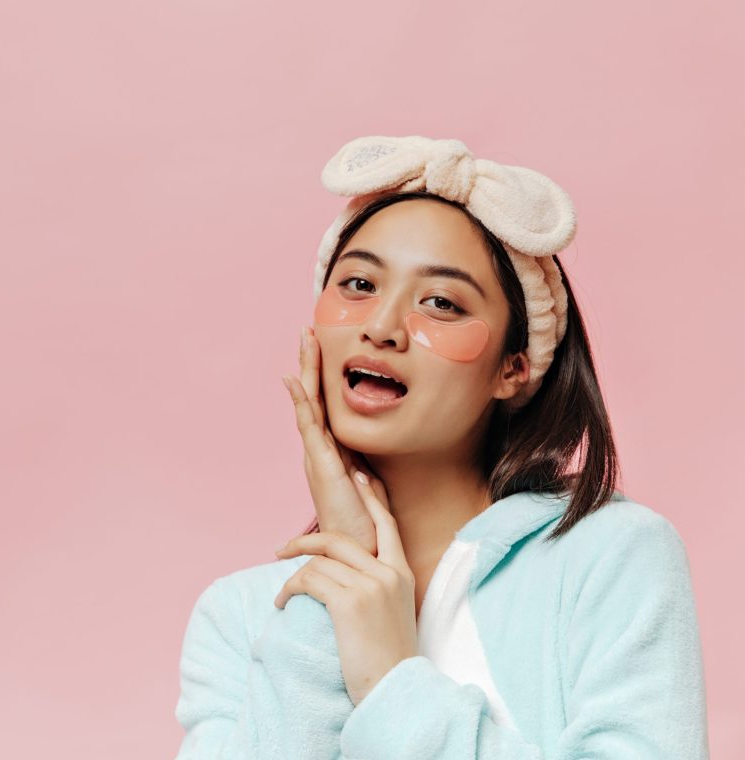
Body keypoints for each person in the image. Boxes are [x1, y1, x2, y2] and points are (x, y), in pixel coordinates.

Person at [173, 135, 710, 759]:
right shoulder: (242, 615)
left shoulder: (607, 556)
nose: (380, 327)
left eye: (440, 303)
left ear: (514, 367)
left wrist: (390, 680)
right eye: (358, 284)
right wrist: (334, 585)